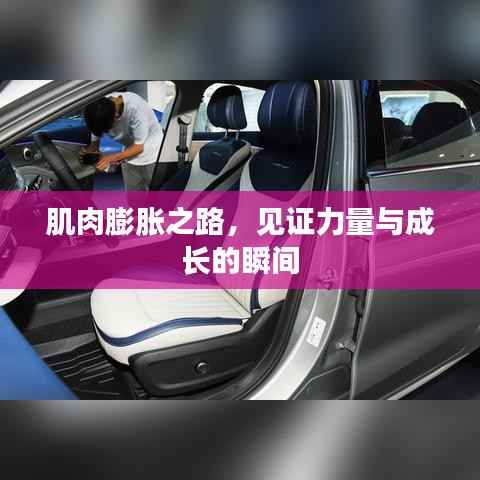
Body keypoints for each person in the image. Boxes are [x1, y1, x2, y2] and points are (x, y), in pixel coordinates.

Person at [82, 91, 165, 191]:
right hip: (129, 150)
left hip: (152, 152)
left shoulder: (135, 108)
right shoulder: (99, 109)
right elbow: (96, 134)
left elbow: (139, 147)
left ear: (116, 116)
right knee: (133, 194)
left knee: (156, 193)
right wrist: (91, 150)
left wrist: (110, 158)